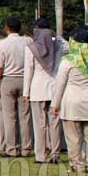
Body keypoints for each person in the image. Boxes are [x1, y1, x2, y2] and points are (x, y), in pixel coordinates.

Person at [52, 28, 88, 173]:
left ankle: (77, 165)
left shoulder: (68, 62)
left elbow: (60, 85)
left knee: (73, 138)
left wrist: (55, 105)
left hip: (72, 104)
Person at [23, 17, 62, 164]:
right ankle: (55, 153)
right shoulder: (57, 47)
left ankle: (40, 155)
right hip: (53, 88)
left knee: (39, 124)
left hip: (37, 89)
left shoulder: (31, 48)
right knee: (54, 123)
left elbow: (29, 71)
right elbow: (65, 44)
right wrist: (56, 36)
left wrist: (26, 92)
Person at [0, 16, 32, 158]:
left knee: (9, 116)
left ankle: (12, 148)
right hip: (24, 79)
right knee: (25, 116)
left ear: (7, 28)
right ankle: (26, 147)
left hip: (8, 79)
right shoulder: (27, 41)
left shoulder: (2, 44)